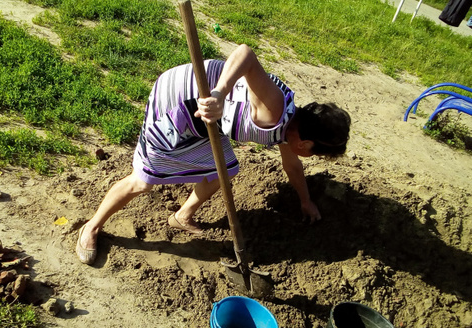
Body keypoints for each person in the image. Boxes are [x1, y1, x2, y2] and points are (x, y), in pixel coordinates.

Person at [76, 44, 351, 264]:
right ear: (307, 144)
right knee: (144, 179)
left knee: (223, 171)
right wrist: (218, 95)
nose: (309, 158)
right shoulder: (275, 111)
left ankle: (182, 216)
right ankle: (92, 227)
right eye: (316, 154)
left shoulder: (289, 127)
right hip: (181, 101)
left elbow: (292, 167)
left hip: (206, 121)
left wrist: (305, 200)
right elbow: (245, 53)